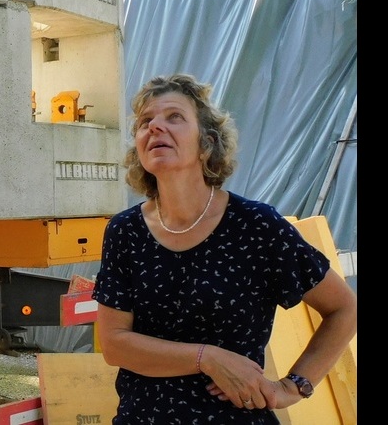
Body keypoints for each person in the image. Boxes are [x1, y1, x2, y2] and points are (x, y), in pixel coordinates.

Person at [93, 73, 357, 424]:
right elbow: (114, 344)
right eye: (145, 122)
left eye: (174, 116)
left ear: (206, 144)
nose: (155, 126)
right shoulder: (125, 231)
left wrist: (293, 387)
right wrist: (207, 358)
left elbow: (344, 309)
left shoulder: (256, 226)